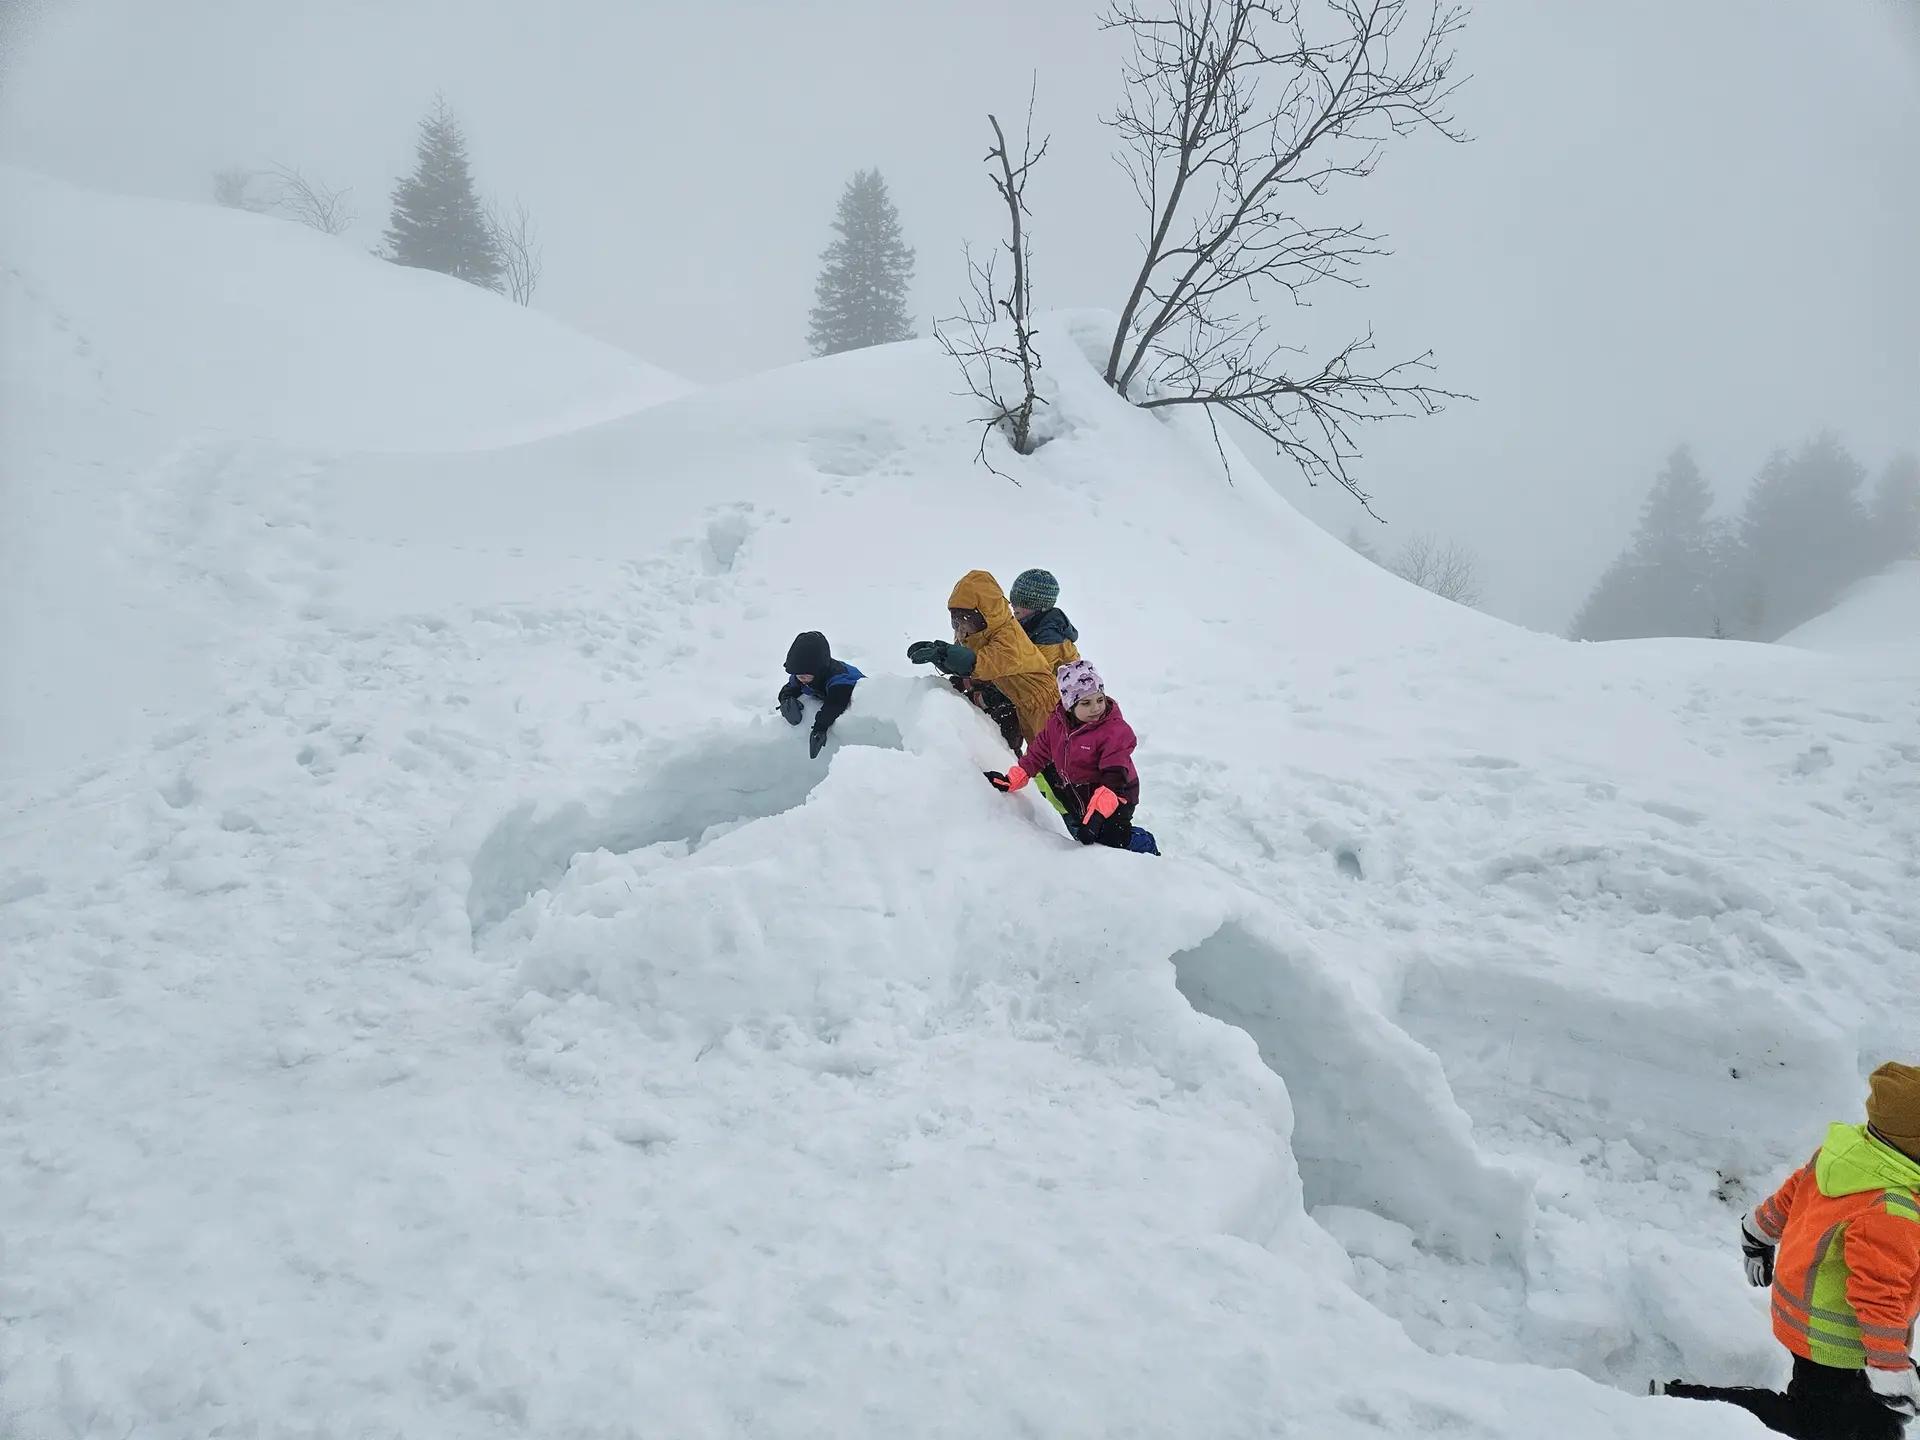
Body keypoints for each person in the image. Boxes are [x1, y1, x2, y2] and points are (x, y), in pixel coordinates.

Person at [1654, 1061, 1920, 1439]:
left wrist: (1756, 1232)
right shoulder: (1891, 1211)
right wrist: (1889, 1368)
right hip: (1838, 1342)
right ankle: (1686, 1405)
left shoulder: (1849, 1159)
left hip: (1810, 1317)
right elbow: (1878, 1295)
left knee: (1851, 1416)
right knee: (1809, 1422)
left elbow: (1790, 1196)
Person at [983, 660, 1159, 855]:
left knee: (1112, 838)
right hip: (1080, 792)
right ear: (1069, 705)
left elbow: (1114, 779)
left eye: (1100, 700)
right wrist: (1011, 780)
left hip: (1118, 792)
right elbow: (1037, 754)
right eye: (1086, 703)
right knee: (1087, 837)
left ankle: (1146, 845)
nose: (1096, 708)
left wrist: (1097, 816)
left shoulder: (1113, 731)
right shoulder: (1057, 725)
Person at [907, 570, 1057, 752]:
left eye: (967, 619)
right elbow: (967, 659)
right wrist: (939, 652)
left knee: (1052, 755)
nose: (962, 627)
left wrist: (944, 654)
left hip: (1044, 705)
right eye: (957, 620)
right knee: (1037, 754)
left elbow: (981, 664)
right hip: (1021, 702)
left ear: (986, 614)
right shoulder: (980, 635)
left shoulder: (1009, 637)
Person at [778, 631, 862, 759]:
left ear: (819, 670)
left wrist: (820, 728)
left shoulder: (839, 679)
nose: (801, 678)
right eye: (798, 674)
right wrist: (786, 700)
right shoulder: (801, 678)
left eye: (805, 674)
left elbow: (835, 704)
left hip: (860, 700)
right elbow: (789, 688)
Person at [1008, 568, 1081, 671]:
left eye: (1023, 603)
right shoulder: (1029, 623)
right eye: (1013, 600)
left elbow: (1036, 674)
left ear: (1039, 607)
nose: (1013, 605)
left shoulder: (1049, 636)